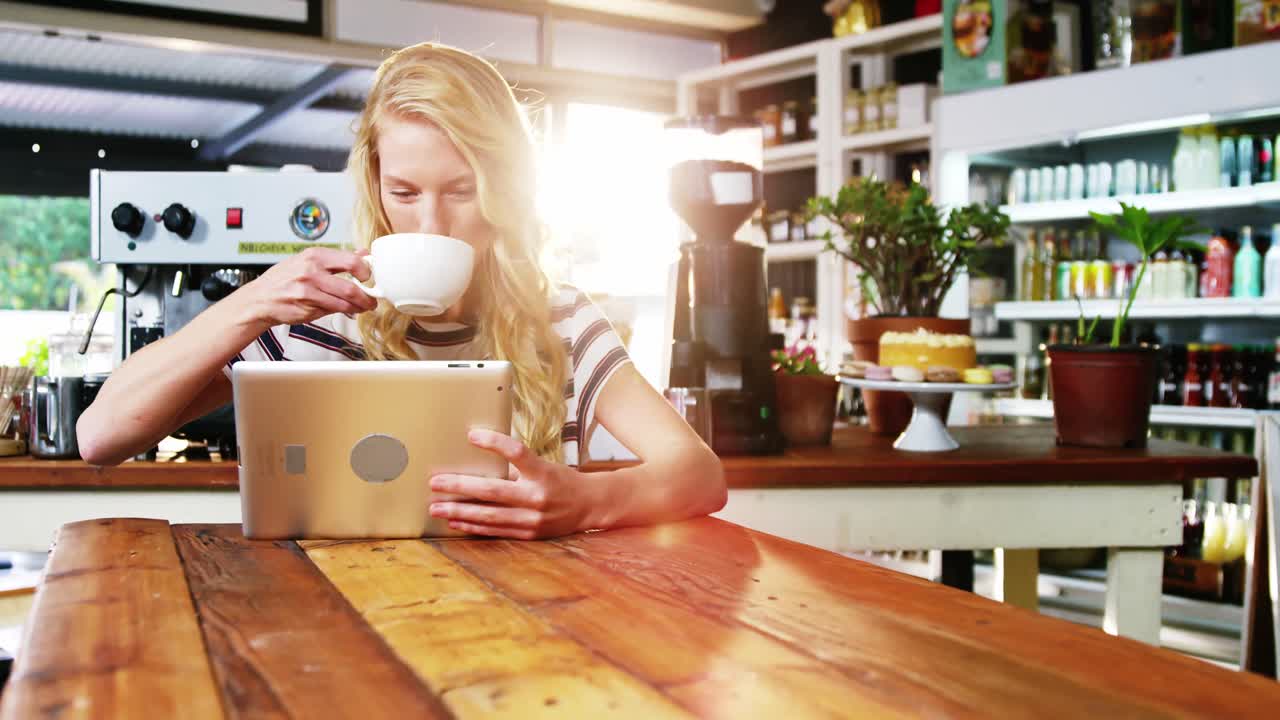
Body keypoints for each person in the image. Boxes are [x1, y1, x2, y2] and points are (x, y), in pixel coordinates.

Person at [76, 42, 725, 539]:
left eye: (462, 191)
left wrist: (586, 501)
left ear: (506, 189)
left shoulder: (559, 319)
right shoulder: (315, 321)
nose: (432, 224)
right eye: (405, 193)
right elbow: (100, 438)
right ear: (375, 186)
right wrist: (253, 302)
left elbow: (699, 474)